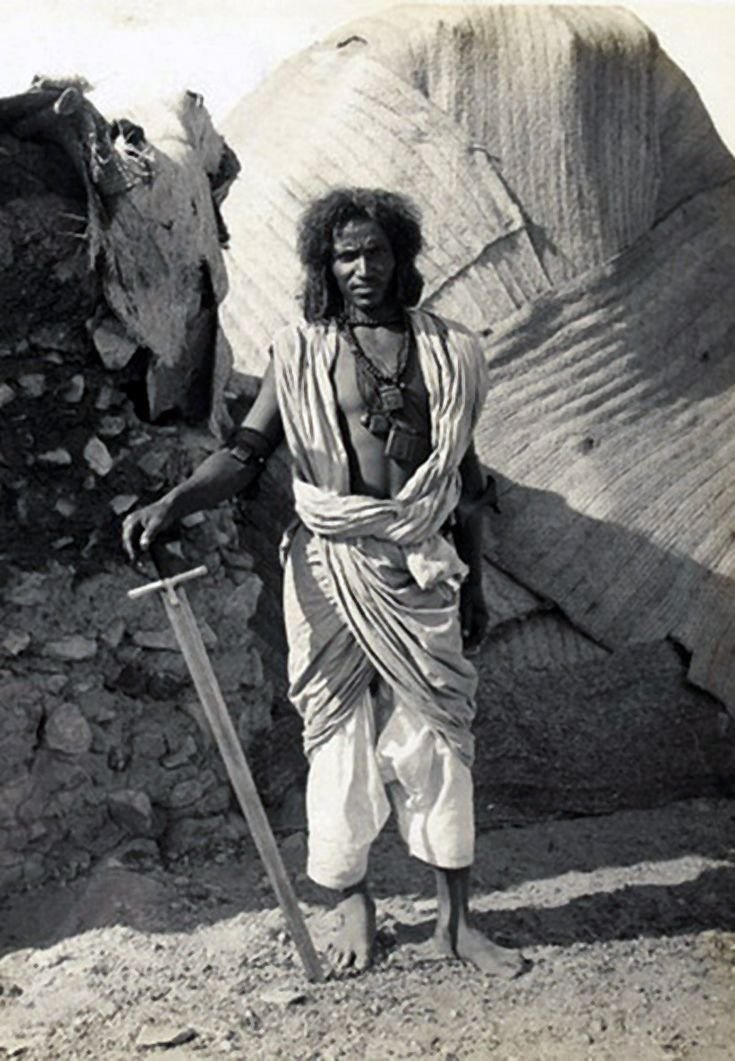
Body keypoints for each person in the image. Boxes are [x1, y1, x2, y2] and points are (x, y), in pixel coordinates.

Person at [122, 187, 523, 978]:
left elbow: (465, 481)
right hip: (329, 564)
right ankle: (354, 907)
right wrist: (174, 500)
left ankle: (454, 923)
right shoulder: (300, 351)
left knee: (440, 736)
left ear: (401, 257)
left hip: (421, 562)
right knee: (336, 735)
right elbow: (243, 455)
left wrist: (472, 582)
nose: (363, 268)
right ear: (324, 265)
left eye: (376, 251)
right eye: (347, 255)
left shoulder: (448, 351)